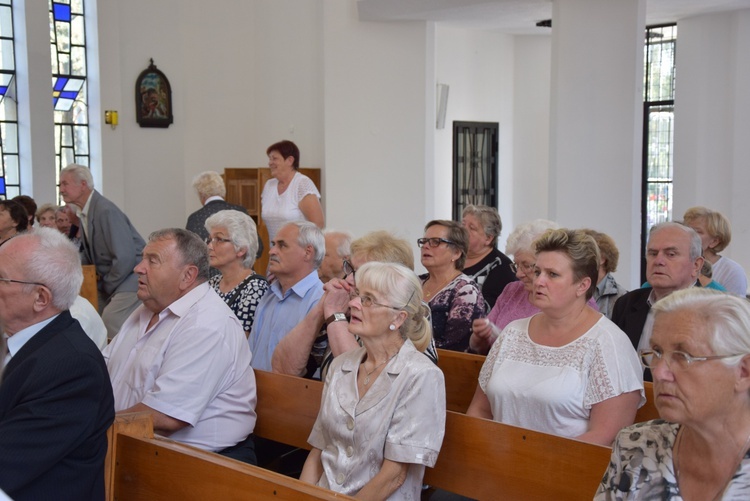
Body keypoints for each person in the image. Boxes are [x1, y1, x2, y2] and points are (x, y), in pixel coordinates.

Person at [467, 229, 643, 446]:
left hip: (564, 471)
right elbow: (479, 409)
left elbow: (605, 436)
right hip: (496, 464)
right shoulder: (513, 332)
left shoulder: (608, 343)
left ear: (583, 285)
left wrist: (533, 462)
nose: (539, 281)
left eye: (552, 274)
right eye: (538, 271)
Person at [103, 228, 257, 461]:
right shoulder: (147, 309)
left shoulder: (206, 324)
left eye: (152, 261)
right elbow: (105, 367)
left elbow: (166, 416)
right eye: (143, 258)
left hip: (200, 466)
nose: (138, 268)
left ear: (187, 276)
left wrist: (92, 427)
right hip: (130, 444)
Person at [300, 262, 446, 499]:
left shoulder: (421, 376)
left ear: (398, 318)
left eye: (368, 300)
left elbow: (394, 476)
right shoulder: (341, 366)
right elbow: (318, 450)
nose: (353, 304)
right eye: (357, 295)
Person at [595, 288, 750, 499]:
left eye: (683, 355)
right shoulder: (636, 446)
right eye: (657, 352)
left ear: (743, 372)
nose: (658, 372)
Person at [0, 227, 114, 500]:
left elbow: (7, 464)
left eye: (1, 278)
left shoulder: (73, 367)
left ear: (40, 298)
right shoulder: (18, 338)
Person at [272, 230, 438, 379]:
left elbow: (361, 383)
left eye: (361, 273)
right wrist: (320, 309)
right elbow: (283, 370)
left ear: (391, 280)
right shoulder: (345, 304)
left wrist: (335, 315)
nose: (349, 279)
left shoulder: (412, 310)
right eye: (349, 268)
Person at [59, 164, 145, 339]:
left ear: (83, 185)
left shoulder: (105, 210)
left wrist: (108, 286)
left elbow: (125, 257)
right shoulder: (85, 212)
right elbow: (88, 256)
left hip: (132, 277)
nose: (61, 190)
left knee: (110, 319)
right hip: (112, 279)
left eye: (65, 184)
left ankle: (119, 363)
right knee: (84, 311)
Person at [469, 219, 568, 355]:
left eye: (526, 265)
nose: (518, 274)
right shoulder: (512, 290)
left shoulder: (569, 298)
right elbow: (480, 348)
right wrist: (479, 338)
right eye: (516, 265)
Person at [612, 222, 704, 351]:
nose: (658, 261)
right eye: (653, 253)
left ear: (696, 265)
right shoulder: (626, 304)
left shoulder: (712, 312)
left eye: (671, 254)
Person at [248, 221, 324, 371]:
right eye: (273, 244)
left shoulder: (320, 300)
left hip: (293, 391)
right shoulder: (269, 295)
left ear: (308, 252)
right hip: (255, 388)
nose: (271, 251)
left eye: (282, 245)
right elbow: (250, 353)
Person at [419, 220, 485, 352]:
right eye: (424, 241)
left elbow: (453, 346)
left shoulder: (465, 291)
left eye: (435, 242)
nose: (426, 246)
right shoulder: (415, 283)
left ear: (456, 253)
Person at [205, 210, 269, 336]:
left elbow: (240, 342)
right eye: (210, 239)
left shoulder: (255, 287)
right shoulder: (213, 283)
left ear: (241, 249)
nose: (209, 246)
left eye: (218, 239)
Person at [186, 170, 262, 261]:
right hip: (240, 272)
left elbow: (190, 254)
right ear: (223, 190)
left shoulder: (195, 219)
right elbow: (258, 248)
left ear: (201, 194)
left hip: (208, 274)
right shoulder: (240, 211)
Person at [261, 140, 324, 243]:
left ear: (290, 160)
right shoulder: (269, 185)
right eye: (270, 159)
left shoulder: (302, 183)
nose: (270, 163)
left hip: (298, 252)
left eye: (274, 158)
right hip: (275, 251)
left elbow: (318, 224)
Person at [461, 205, 517, 308]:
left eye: (472, 228)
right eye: (463, 224)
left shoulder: (501, 267)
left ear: (488, 238)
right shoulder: (453, 256)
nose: (463, 230)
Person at [683, 206, 747, 296]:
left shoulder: (732, 271)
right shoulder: (678, 262)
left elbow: (733, 308)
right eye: (686, 230)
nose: (687, 235)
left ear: (714, 241)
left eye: (697, 231)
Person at [582, 229, 627, 319]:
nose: (577, 259)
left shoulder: (621, 297)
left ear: (602, 259)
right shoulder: (573, 287)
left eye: (584, 253)